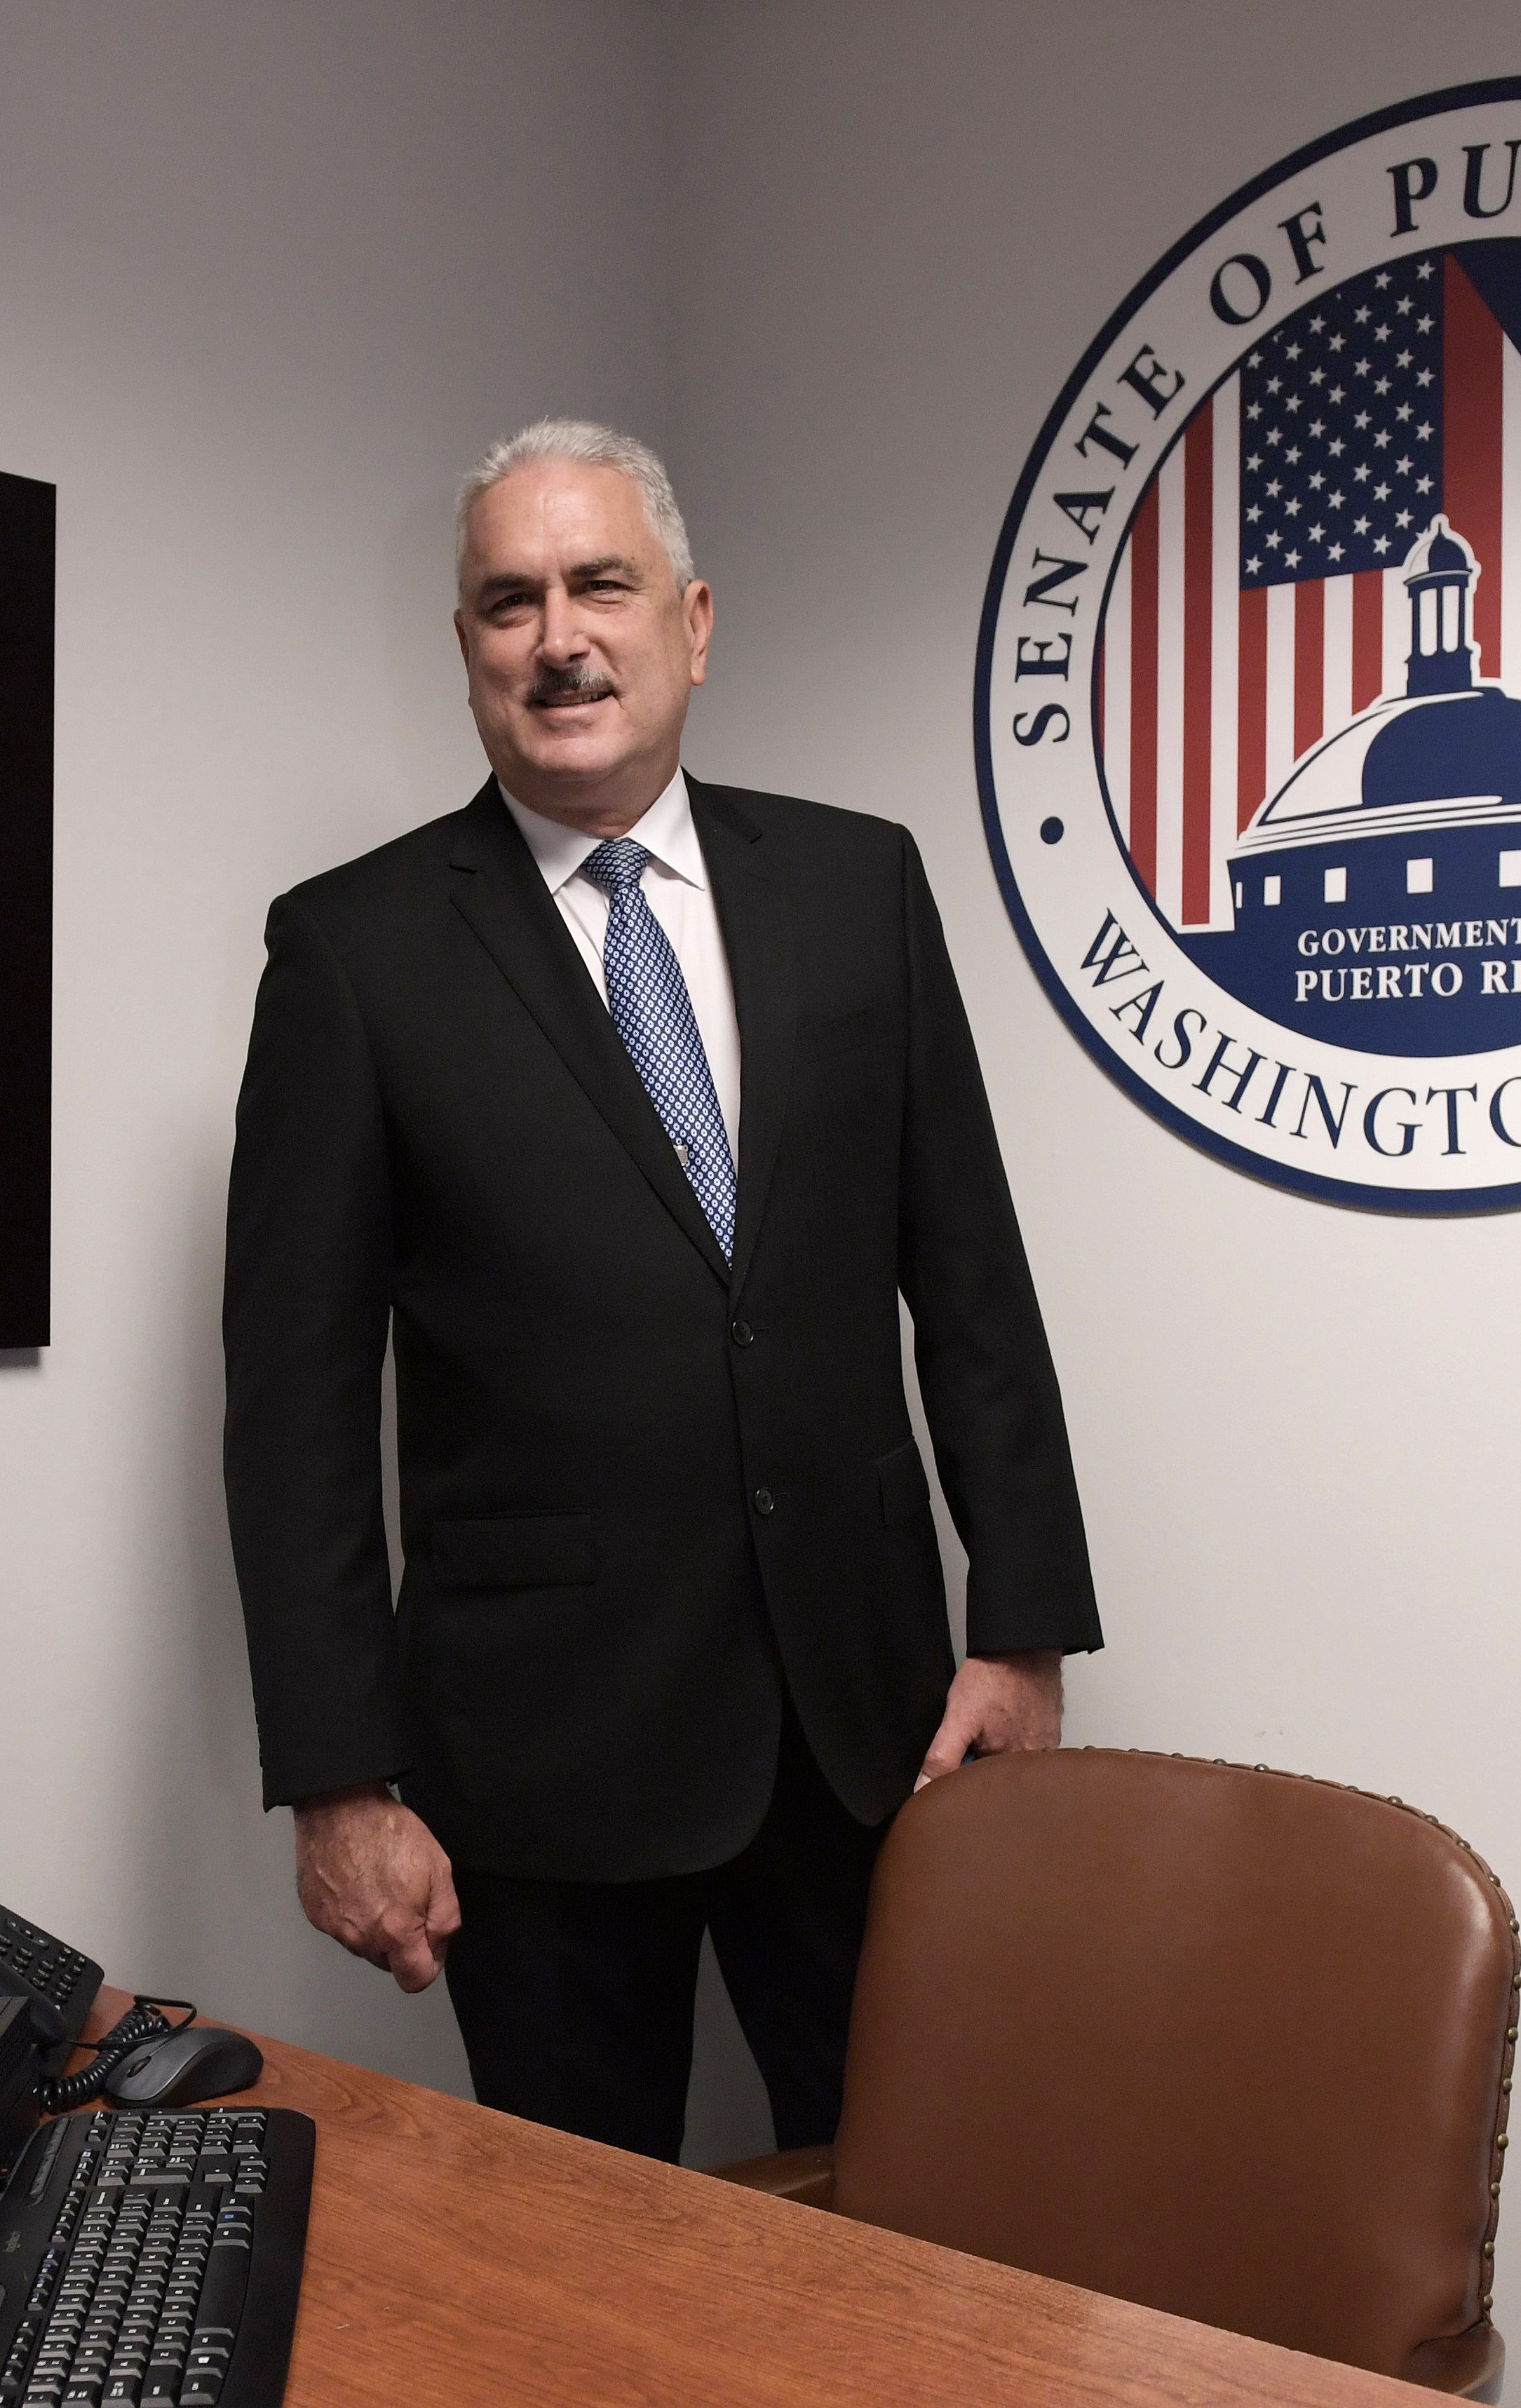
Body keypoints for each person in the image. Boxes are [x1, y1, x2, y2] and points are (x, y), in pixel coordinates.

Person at [222, 421, 1100, 2161]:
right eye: (508, 600)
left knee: (908, 2206)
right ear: (466, 647)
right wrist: (337, 1778)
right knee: (584, 2267)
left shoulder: (860, 887)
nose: (558, 636)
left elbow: (972, 1271)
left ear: (689, 622)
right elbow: (293, 1399)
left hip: (865, 1725)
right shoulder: (354, 951)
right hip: (538, 1767)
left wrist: (1018, 1620)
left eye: (598, 585)